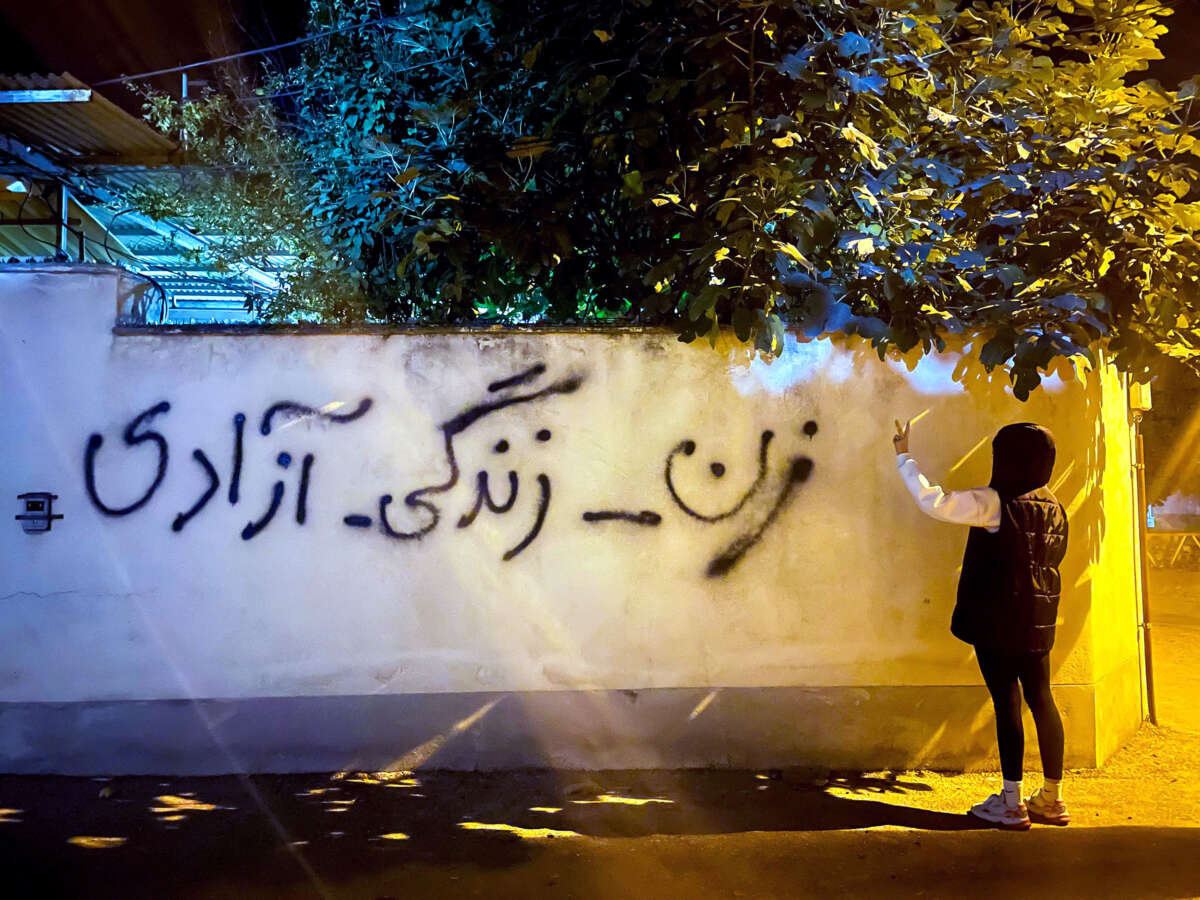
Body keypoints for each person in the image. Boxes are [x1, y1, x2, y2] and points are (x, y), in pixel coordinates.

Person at [892, 418, 1070, 830]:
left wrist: (904, 456)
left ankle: (1011, 803)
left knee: (1007, 703)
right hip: (1039, 621)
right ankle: (1052, 799)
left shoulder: (993, 501)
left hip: (998, 619)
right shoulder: (1055, 505)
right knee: (1042, 700)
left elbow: (933, 502)